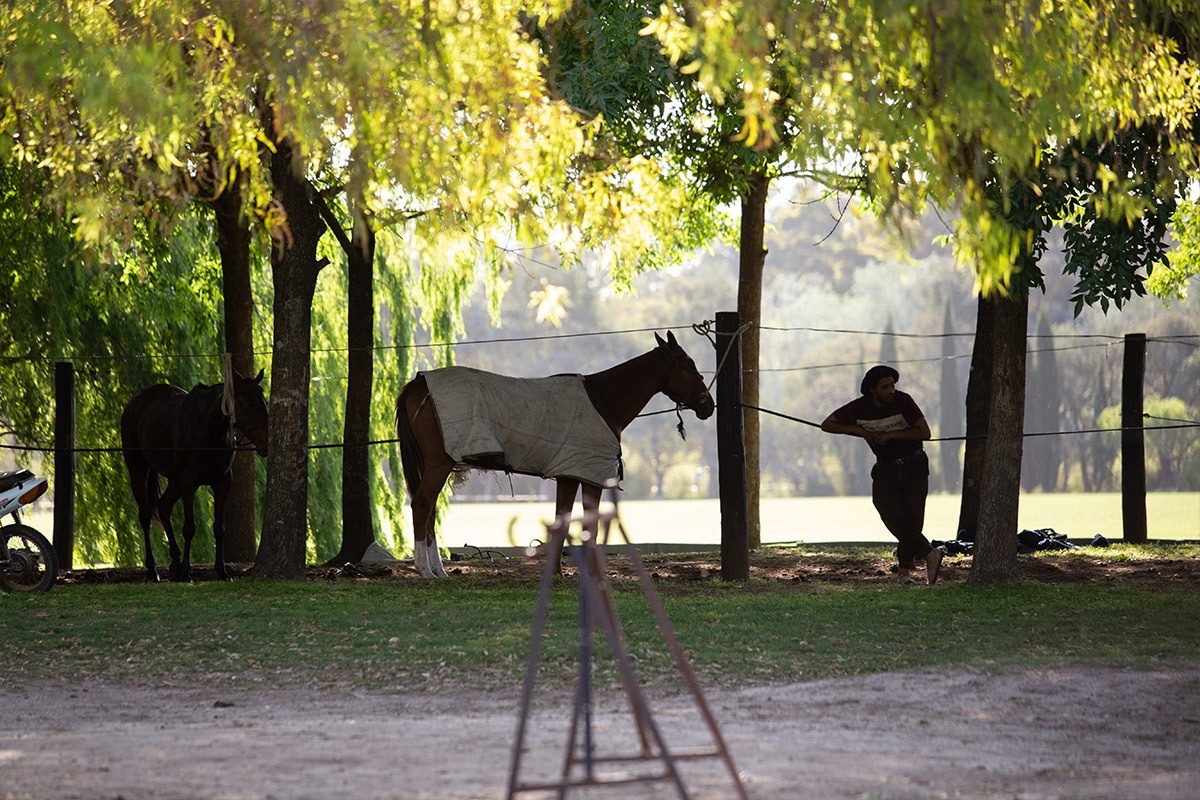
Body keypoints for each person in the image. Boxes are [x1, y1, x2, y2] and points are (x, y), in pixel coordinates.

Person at [820, 365, 943, 585]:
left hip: (914, 463)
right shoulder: (859, 408)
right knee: (888, 511)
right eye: (885, 387)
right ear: (871, 390)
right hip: (885, 466)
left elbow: (924, 432)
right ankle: (930, 553)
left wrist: (890, 435)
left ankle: (904, 572)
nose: (891, 390)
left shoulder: (904, 401)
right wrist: (860, 431)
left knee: (913, 517)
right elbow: (827, 424)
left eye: (892, 385)